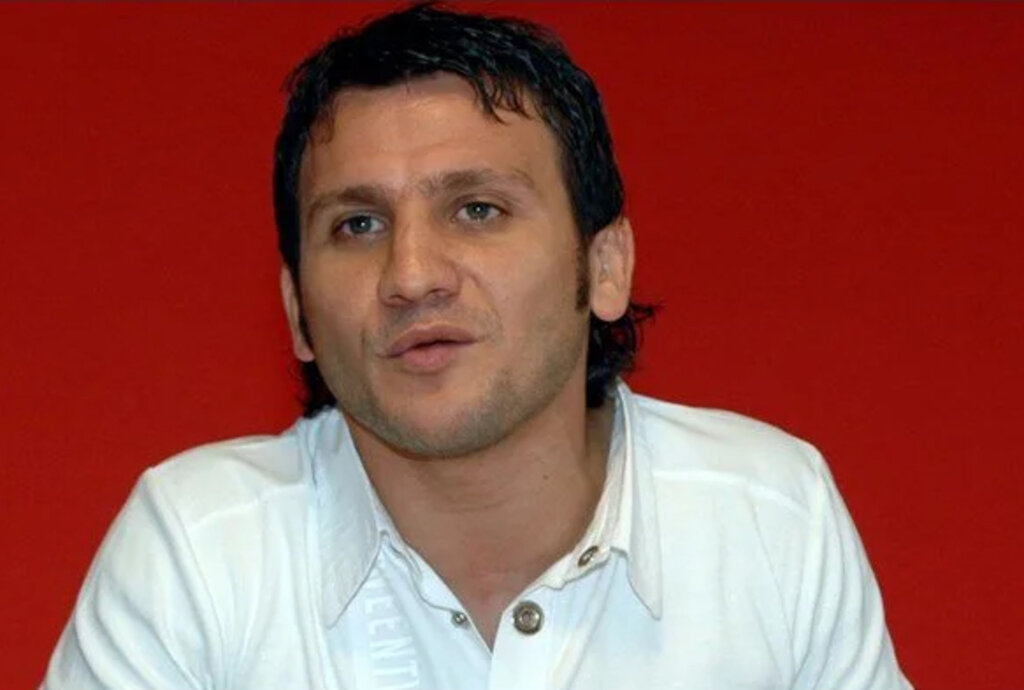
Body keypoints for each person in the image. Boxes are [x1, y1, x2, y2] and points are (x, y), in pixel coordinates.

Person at [43, 4, 911, 688]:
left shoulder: (768, 517)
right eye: (358, 224)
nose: (412, 274)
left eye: (478, 210)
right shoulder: (198, 552)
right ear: (298, 311)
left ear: (604, 265)